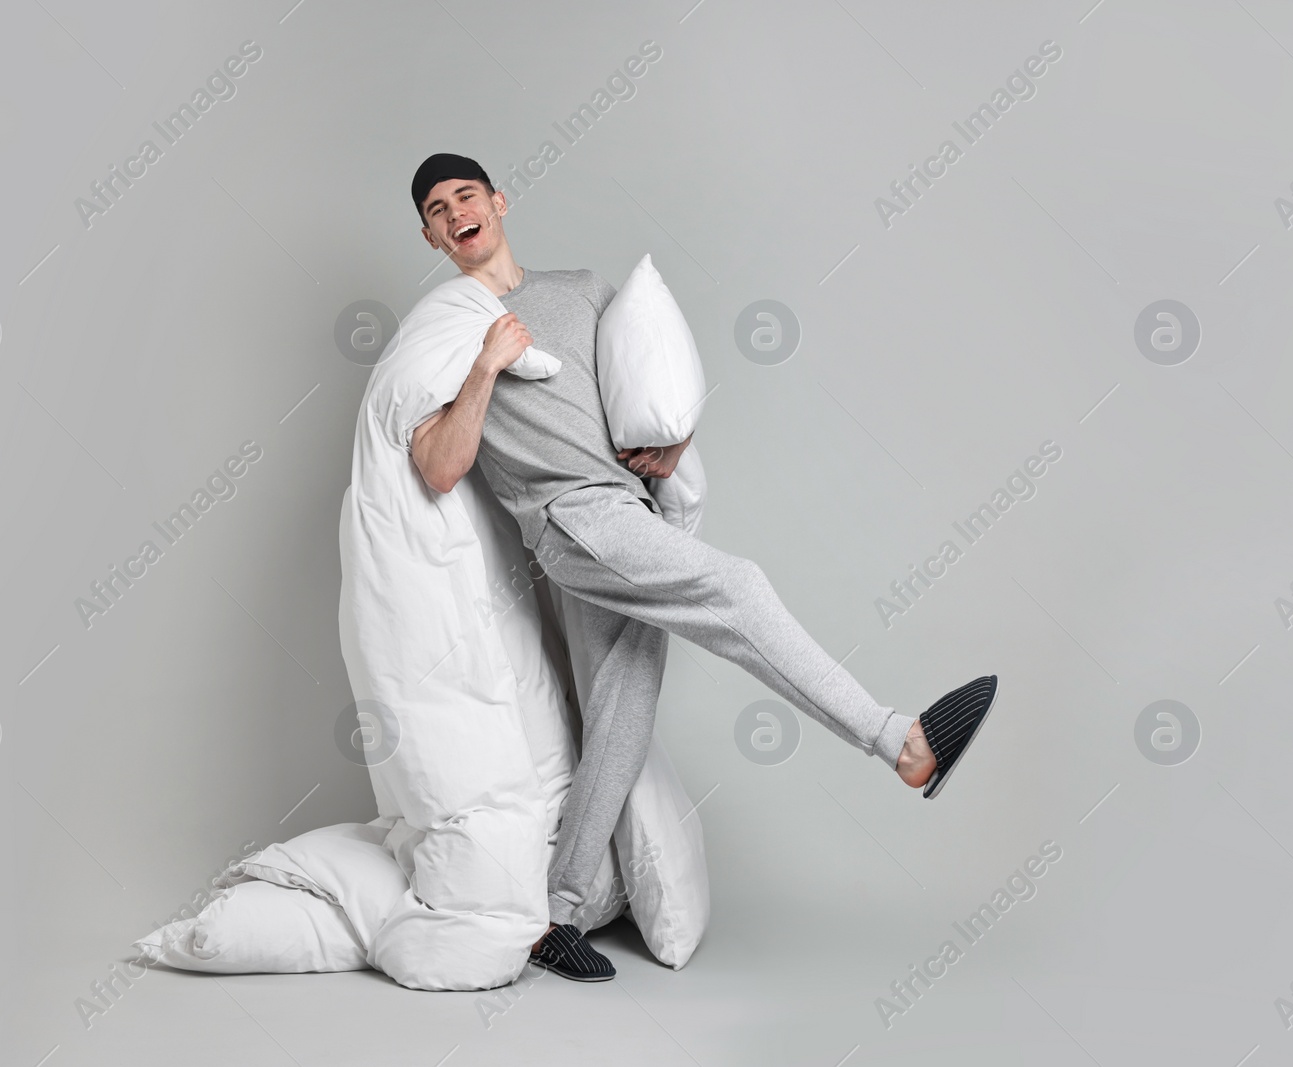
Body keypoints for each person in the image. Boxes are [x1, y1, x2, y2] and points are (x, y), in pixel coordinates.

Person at [404, 153, 998, 982]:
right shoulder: (449, 326)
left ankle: (556, 913)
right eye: (437, 208)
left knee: (622, 705)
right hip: (573, 518)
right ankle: (901, 740)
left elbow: (644, 382)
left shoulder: (580, 287)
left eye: (466, 194)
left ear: (499, 202)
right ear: (431, 236)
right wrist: (484, 364)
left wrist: (676, 441)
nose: (455, 210)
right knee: (738, 585)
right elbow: (438, 464)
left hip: (629, 509)